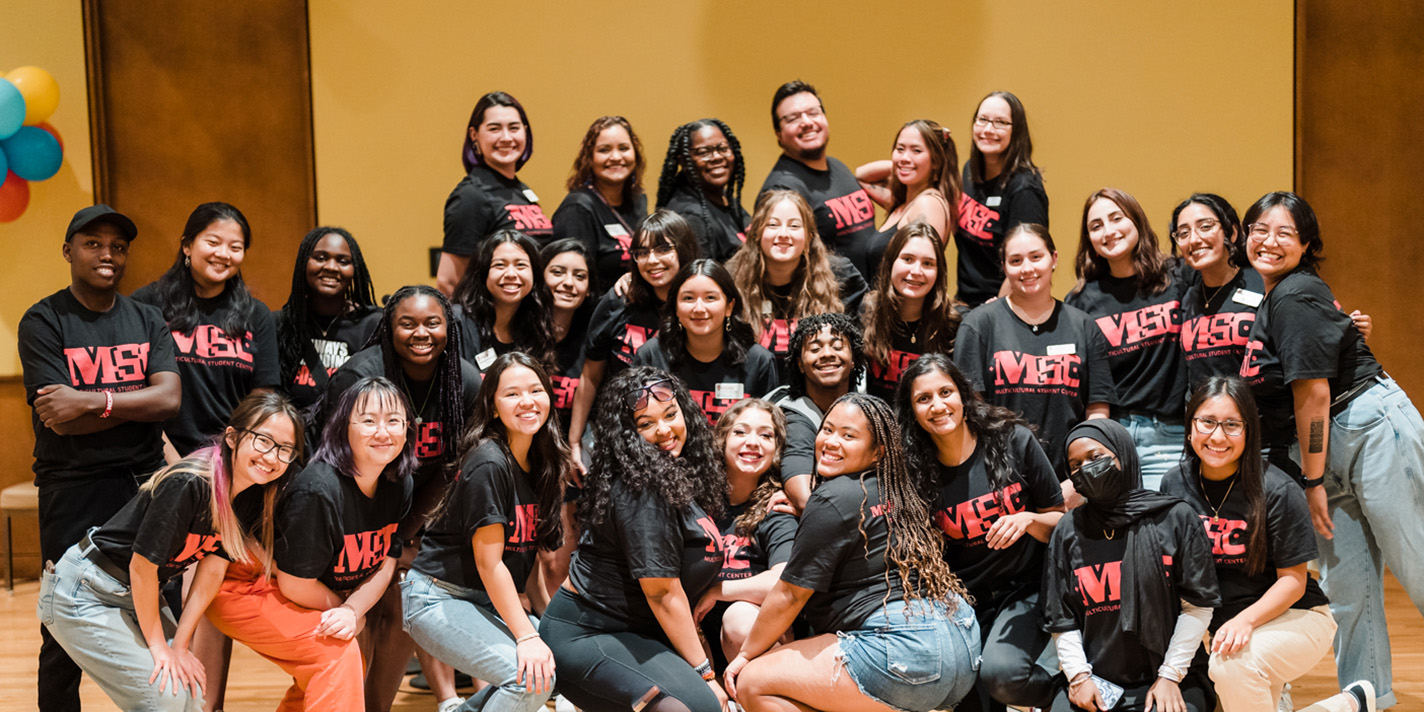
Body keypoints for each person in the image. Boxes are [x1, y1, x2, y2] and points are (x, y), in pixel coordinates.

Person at [1239, 191, 1424, 709]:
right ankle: (1369, 696)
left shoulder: (1293, 294)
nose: (1269, 241)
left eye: (1284, 233)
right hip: (1322, 451)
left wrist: (1313, 482)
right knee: (1350, 590)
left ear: (1306, 244)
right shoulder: (1279, 297)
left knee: (1419, 563)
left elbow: (1315, 392)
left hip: (1364, 428)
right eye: (1259, 228)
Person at [39, 392, 301, 712]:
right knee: (164, 698)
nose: (272, 457)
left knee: (190, 693)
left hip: (130, 593)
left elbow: (212, 571)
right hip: (84, 592)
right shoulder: (190, 483)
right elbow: (142, 568)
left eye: (284, 449)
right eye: (264, 441)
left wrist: (181, 644)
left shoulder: (249, 496)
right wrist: (160, 647)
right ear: (232, 438)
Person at [19, 204, 182, 711]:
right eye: (93, 243)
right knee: (62, 627)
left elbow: (169, 400)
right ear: (69, 251)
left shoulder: (147, 318)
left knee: (155, 610)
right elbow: (59, 419)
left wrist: (94, 400)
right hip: (72, 488)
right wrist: (135, 405)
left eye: (118, 246)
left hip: (143, 485)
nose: (107, 254)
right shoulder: (44, 320)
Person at [724, 393, 980, 712]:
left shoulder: (834, 497)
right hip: (962, 646)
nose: (831, 442)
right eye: (827, 429)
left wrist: (745, 656)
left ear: (878, 451)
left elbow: (790, 594)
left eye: (848, 436)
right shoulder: (897, 486)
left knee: (753, 683)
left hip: (906, 657)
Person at [1163, 376, 1377, 712]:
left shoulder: (1276, 489)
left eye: (1232, 425)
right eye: (1206, 422)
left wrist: (1245, 621)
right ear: (1190, 427)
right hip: (1231, 634)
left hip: (1297, 618)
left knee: (1230, 666)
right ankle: (1347, 706)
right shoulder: (1174, 484)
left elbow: (1293, 581)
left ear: (1249, 432)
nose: (1217, 436)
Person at [206, 377, 415, 711]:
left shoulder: (400, 482)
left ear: (408, 429)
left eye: (394, 421)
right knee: (336, 655)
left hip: (298, 588)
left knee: (337, 662)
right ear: (343, 427)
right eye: (369, 420)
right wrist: (342, 608)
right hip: (248, 583)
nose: (383, 432)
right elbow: (294, 583)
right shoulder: (318, 490)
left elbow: (389, 559)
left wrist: (353, 609)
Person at [321, 285, 481, 708]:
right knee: (359, 614)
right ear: (389, 328)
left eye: (433, 322)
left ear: (450, 326)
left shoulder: (463, 380)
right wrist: (387, 535)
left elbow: (453, 466)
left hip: (420, 511)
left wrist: (407, 533)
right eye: (406, 323)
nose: (421, 333)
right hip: (355, 506)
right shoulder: (359, 376)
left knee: (401, 604)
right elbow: (337, 462)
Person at [540, 368, 729, 712]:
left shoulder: (676, 472)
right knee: (700, 707)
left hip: (632, 635)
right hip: (587, 635)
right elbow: (661, 592)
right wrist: (704, 672)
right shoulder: (641, 490)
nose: (664, 430)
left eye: (671, 414)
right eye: (645, 424)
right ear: (626, 435)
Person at [403, 353, 570, 712]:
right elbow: (489, 563)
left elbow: (529, 561)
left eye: (535, 390)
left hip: (479, 599)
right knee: (529, 678)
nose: (526, 401)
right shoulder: (488, 461)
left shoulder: (542, 461)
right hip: (438, 598)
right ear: (493, 408)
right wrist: (527, 636)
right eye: (511, 394)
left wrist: (553, 625)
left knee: (559, 663)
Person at [897, 354, 1064, 712]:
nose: (938, 406)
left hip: (1027, 588)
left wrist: (1028, 520)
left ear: (963, 394)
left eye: (945, 392)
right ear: (912, 411)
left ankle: (1067, 693)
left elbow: (1061, 525)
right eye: (923, 399)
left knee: (1001, 674)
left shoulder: (1013, 441)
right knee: (963, 696)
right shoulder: (913, 471)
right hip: (965, 601)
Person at [1044, 419, 1220, 712]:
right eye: (1075, 465)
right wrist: (1078, 676)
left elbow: (1198, 606)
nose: (1085, 468)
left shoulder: (1175, 517)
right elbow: (1062, 619)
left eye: (1095, 457)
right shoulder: (1068, 530)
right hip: (1097, 679)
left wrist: (1169, 675)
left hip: (1169, 677)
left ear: (1122, 455)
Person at [954, 223, 1115, 483]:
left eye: (1036, 257)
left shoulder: (1083, 326)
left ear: (1053, 259)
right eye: (1015, 260)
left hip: (1070, 479)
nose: (1027, 268)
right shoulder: (979, 325)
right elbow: (971, 411)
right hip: (999, 478)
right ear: (1004, 267)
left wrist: (1082, 476)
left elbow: (1097, 409)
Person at [132, 202, 280, 457]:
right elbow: (135, 389)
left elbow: (261, 398)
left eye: (235, 247)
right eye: (213, 242)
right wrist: (173, 464)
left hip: (233, 457)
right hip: (161, 458)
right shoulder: (147, 304)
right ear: (187, 245)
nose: (224, 254)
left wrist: (230, 459)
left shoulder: (257, 314)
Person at [1066, 188, 1188, 489]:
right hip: (1113, 434)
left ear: (1137, 221)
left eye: (1116, 218)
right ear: (1090, 241)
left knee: (1167, 529)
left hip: (1170, 434)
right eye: (1096, 226)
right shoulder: (1081, 300)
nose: (1108, 231)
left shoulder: (1177, 277)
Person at [567, 210, 701, 463]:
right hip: (617, 435)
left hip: (678, 440)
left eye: (663, 249)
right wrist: (575, 440)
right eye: (642, 252)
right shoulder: (619, 300)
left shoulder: (698, 308)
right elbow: (591, 374)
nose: (652, 260)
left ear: (684, 249)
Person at [693, 399, 799, 663]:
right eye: (741, 432)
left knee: (738, 617)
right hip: (695, 633)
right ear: (722, 440)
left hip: (753, 635)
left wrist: (717, 590)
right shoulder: (694, 502)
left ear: (777, 449)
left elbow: (783, 582)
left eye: (766, 435)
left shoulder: (777, 508)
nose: (753, 442)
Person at [726, 190, 863, 375]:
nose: (783, 234)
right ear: (757, 234)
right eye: (773, 225)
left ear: (809, 238)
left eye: (794, 226)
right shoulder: (732, 280)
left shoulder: (841, 276)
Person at [633, 259, 780, 425]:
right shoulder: (651, 355)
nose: (699, 308)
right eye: (688, 298)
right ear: (675, 306)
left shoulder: (759, 360)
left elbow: (770, 430)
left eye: (710, 298)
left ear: (729, 307)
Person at [758, 80, 878, 280]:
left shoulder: (838, 167)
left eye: (813, 113)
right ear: (778, 134)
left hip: (868, 300)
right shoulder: (781, 190)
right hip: (832, 304)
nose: (806, 122)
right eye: (793, 118)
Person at [439, 91, 553, 295]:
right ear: (474, 135)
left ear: (525, 132)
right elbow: (449, 282)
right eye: (494, 128)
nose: (506, 137)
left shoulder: (522, 190)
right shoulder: (471, 197)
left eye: (514, 127)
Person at [954, 91, 1048, 307]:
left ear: (1016, 131)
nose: (988, 130)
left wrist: (997, 311)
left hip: (1003, 306)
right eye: (983, 120)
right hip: (965, 304)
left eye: (1000, 123)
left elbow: (1027, 261)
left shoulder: (1025, 189)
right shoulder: (970, 171)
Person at [766, 313, 866, 513]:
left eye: (837, 346)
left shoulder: (864, 409)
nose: (827, 353)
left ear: (853, 359)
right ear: (800, 364)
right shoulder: (794, 414)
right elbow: (805, 498)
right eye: (815, 349)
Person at [274, 226, 381, 409]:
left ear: (355, 269)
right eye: (320, 258)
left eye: (343, 261)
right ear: (303, 263)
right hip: (295, 434)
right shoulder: (281, 323)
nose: (331, 267)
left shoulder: (372, 324)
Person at [861, 221, 962, 402]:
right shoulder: (866, 311)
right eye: (907, 259)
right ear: (891, 262)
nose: (916, 271)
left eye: (928, 263)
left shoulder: (956, 323)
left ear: (939, 272)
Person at [855, 119, 962, 277]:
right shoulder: (903, 202)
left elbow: (921, 273)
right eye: (900, 149)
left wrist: (905, 164)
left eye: (916, 151)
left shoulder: (927, 204)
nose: (905, 156)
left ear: (936, 161)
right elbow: (861, 175)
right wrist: (903, 164)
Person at [551, 116, 649, 288]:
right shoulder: (577, 209)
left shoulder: (638, 201)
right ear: (589, 158)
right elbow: (572, 281)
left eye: (624, 148)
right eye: (604, 150)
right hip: (600, 311)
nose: (616, 157)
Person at [451, 229, 558, 373]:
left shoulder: (537, 326)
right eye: (500, 265)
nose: (511, 274)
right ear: (483, 273)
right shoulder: (458, 322)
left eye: (521, 265)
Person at [658, 118, 750, 262]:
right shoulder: (690, 216)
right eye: (704, 152)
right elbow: (699, 279)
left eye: (723, 148)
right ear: (684, 161)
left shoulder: (723, 197)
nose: (717, 157)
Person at [541, 238, 598, 434]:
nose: (568, 283)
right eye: (558, 272)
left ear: (589, 288)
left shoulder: (593, 337)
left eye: (580, 276)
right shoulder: (518, 330)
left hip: (574, 443)